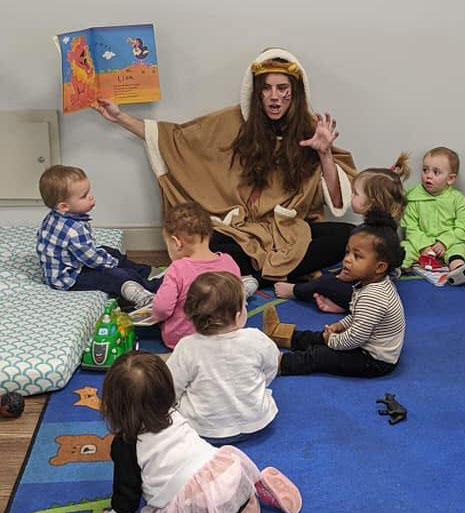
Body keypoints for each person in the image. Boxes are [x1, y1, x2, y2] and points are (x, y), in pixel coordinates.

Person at [94, 48, 357, 283]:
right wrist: (121, 118)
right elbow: (175, 139)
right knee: (208, 242)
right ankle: (275, 271)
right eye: (266, 88)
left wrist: (324, 153)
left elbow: (335, 199)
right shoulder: (232, 123)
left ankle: (247, 272)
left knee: (349, 235)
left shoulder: (310, 129)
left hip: (287, 229)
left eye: (282, 88)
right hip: (241, 230)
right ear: (256, 92)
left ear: (295, 92)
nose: (274, 97)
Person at [89, 351, 301, 513]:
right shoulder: (174, 414)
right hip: (227, 468)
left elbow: (127, 488)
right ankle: (251, 487)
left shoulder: (126, 444)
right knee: (219, 485)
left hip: (199, 498)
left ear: (115, 406)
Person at [269, 211, 405, 377]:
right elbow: (357, 316)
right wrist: (340, 326)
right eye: (348, 252)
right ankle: (281, 334)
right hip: (365, 343)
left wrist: (332, 340)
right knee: (318, 336)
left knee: (320, 355)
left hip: (374, 360)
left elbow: (355, 338)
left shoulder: (374, 297)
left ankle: (280, 363)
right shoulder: (370, 284)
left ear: (380, 267)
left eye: (357, 256)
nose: (347, 259)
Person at [274, 154, 409, 312]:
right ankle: (342, 306)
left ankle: (294, 291)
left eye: (356, 194)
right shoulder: (383, 228)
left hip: (365, 293)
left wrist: (345, 276)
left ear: (372, 203)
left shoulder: (373, 235)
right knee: (332, 278)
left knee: (324, 282)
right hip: (364, 285)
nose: (351, 196)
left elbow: (369, 270)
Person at [166, 271, 279, 444]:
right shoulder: (256, 338)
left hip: (204, 430)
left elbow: (172, 386)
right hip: (257, 421)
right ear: (237, 315)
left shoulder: (186, 347)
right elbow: (272, 367)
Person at [35, 165, 160, 308]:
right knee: (115, 276)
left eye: (88, 192)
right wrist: (112, 264)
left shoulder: (52, 217)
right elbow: (92, 259)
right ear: (64, 206)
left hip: (71, 263)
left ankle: (147, 272)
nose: (91, 197)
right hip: (68, 278)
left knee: (110, 252)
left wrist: (110, 257)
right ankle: (148, 291)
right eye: (83, 196)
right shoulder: (74, 230)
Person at [151, 202, 250, 349]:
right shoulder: (230, 262)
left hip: (183, 341)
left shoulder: (177, 269)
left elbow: (162, 309)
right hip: (225, 334)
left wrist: (154, 315)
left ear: (176, 242)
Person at [400, 147, 465, 285]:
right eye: (425, 170)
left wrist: (445, 242)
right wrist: (423, 246)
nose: (428, 176)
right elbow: (410, 226)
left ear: (450, 178)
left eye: (436, 172)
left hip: (448, 243)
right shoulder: (413, 197)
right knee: (404, 249)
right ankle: (397, 268)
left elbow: (463, 226)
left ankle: (458, 268)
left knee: (459, 248)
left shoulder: (457, 198)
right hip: (420, 243)